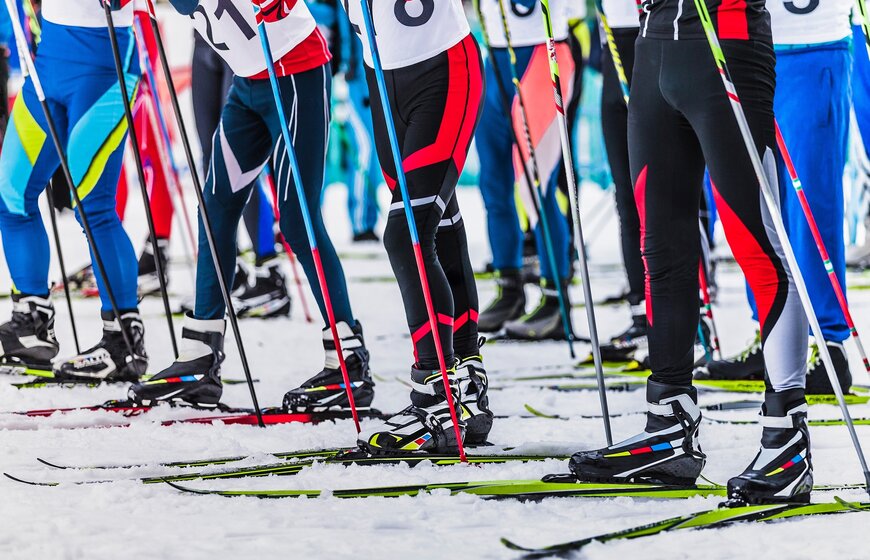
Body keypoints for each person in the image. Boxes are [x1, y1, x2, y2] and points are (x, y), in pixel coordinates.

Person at [569, 0, 813, 504]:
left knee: (758, 246)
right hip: (653, 48)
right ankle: (669, 421)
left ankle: (786, 438)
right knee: (660, 248)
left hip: (727, 41)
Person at [130, 0, 372, 413]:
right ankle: (199, 356)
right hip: (247, 82)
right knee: (216, 210)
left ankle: (347, 360)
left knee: (298, 220)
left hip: (296, 73)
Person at [339, 0, 492, 454]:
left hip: (443, 69)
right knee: (436, 225)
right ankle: (465, 381)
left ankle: (436, 392)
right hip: (383, 81)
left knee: (406, 233)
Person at [694, 0, 853, 396]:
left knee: (812, 202)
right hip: (747, 48)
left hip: (812, 43)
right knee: (758, 206)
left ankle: (828, 343)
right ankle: (770, 333)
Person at [0, 0, 148, 381]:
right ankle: (30, 326)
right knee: (11, 194)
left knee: (93, 205)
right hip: (48, 61)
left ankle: (122, 343)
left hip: (104, 66)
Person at [474, 0, 576, 340]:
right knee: (493, 184)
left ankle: (555, 300)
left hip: (540, 54)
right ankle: (509, 289)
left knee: (538, 187)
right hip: (495, 55)